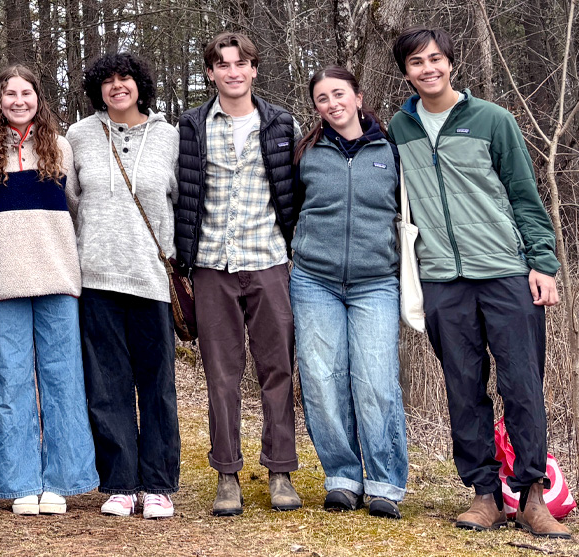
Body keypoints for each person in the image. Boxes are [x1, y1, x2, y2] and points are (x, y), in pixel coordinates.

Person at [388, 27, 569, 539]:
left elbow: (524, 197)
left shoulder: (493, 120)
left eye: (436, 59)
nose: (428, 69)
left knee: (522, 387)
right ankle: (484, 495)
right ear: (406, 71)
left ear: (451, 63)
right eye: (417, 62)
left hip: (506, 273)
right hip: (443, 279)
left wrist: (543, 263)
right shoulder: (399, 131)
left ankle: (532, 496)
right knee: (463, 388)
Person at [175, 32, 300, 516]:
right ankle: (226, 474)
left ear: (253, 70)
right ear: (210, 73)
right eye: (222, 65)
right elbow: (182, 193)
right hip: (211, 265)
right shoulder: (193, 126)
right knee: (221, 374)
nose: (232, 72)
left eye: (241, 63)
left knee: (277, 369)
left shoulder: (280, 123)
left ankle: (280, 470)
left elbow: (294, 191)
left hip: (268, 259)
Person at [289, 67, 408, 519]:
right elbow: (290, 210)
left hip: (375, 281)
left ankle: (384, 482)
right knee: (321, 380)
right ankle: (341, 476)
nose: (332, 104)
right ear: (316, 107)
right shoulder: (307, 153)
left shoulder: (390, 151)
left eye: (339, 94)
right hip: (314, 280)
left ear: (358, 97)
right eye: (322, 98)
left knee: (376, 381)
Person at [68, 52, 182, 520]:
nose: (117, 87)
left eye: (126, 78)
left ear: (140, 85)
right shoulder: (78, 135)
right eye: (108, 80)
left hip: (152, 277)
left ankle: (157, 484)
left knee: (157, 384)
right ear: (97, 88)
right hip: (95, 276)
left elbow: (182, 200)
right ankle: (119, 482)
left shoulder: (169, 136)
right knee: (106, 384)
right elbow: (72, 201)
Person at [0, 64, 97, 516]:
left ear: (38, 97)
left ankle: (64, 479)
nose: (18, 100)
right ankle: (20, 481)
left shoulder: (61, 147)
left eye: (26, 92)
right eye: (9, 93)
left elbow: (76, 211)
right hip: (5, 281)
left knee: (63, 378)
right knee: (9, 382)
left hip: (58, 277)